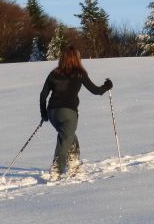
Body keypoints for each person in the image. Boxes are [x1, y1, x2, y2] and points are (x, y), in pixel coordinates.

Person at [39, 45, 112, 180]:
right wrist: (107, 86)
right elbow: (96, 91)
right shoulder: (79, 73)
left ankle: (74, 165)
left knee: (70, 137)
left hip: (53, 113)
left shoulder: (54, 73)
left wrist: (44, 113)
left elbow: (43, 95)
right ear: (76, 58)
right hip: (68, 113)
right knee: (65, 140)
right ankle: (56, 170)